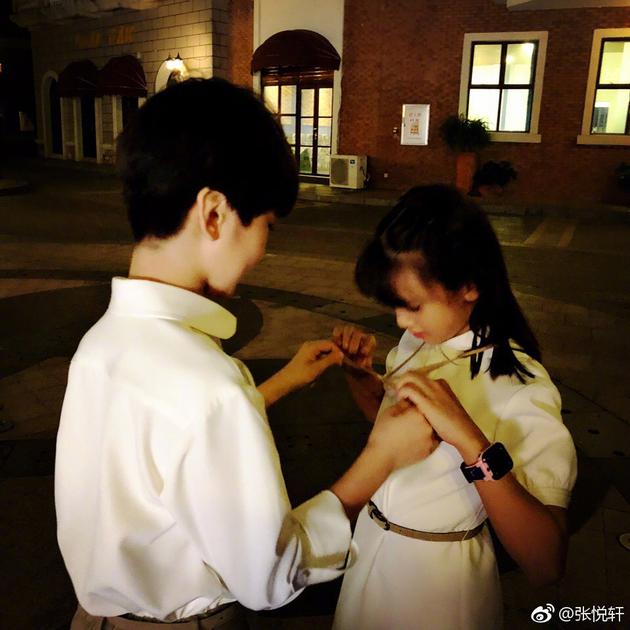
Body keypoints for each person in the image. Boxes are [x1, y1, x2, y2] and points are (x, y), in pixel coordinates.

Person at [54, 78, 436, 630]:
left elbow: (163, 452)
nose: (263, 251)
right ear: (214, 214)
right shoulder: (209, 383)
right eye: (266, 226)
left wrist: (276, 386)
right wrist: (382, 456)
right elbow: (270, 576)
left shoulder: (103, 342)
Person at [331, 185, 577, 630]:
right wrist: (359, 377)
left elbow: (545, 562)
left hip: (438, 582)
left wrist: (468, 438)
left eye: (413, 306)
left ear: (469, 286)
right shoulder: (417, 342)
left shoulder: (520, 386)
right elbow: (398, 441)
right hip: (369, 552)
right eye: (395, 305)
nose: (401, 320)